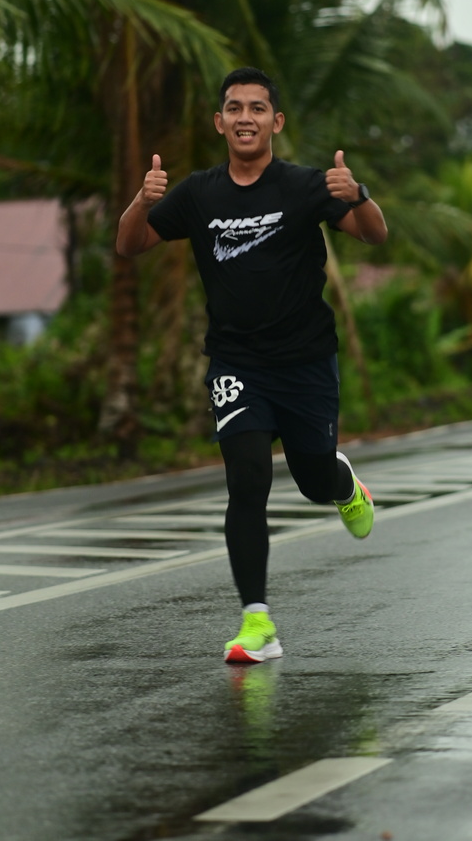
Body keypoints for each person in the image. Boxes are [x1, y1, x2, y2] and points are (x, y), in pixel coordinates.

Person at [117, 67, 388, 664]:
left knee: (312, 478)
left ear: (276, 122)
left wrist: (358, 195)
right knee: (246, 478)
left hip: (306, 361)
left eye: (257, 108)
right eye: (235, 108)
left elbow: (374, 235)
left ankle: (342, 483)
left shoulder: (304, 185)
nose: (246, 117)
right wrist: (142, 201)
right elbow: (129, 244)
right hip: (236, 362)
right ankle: (257, 623)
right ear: (220, 122)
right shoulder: (198, 193)